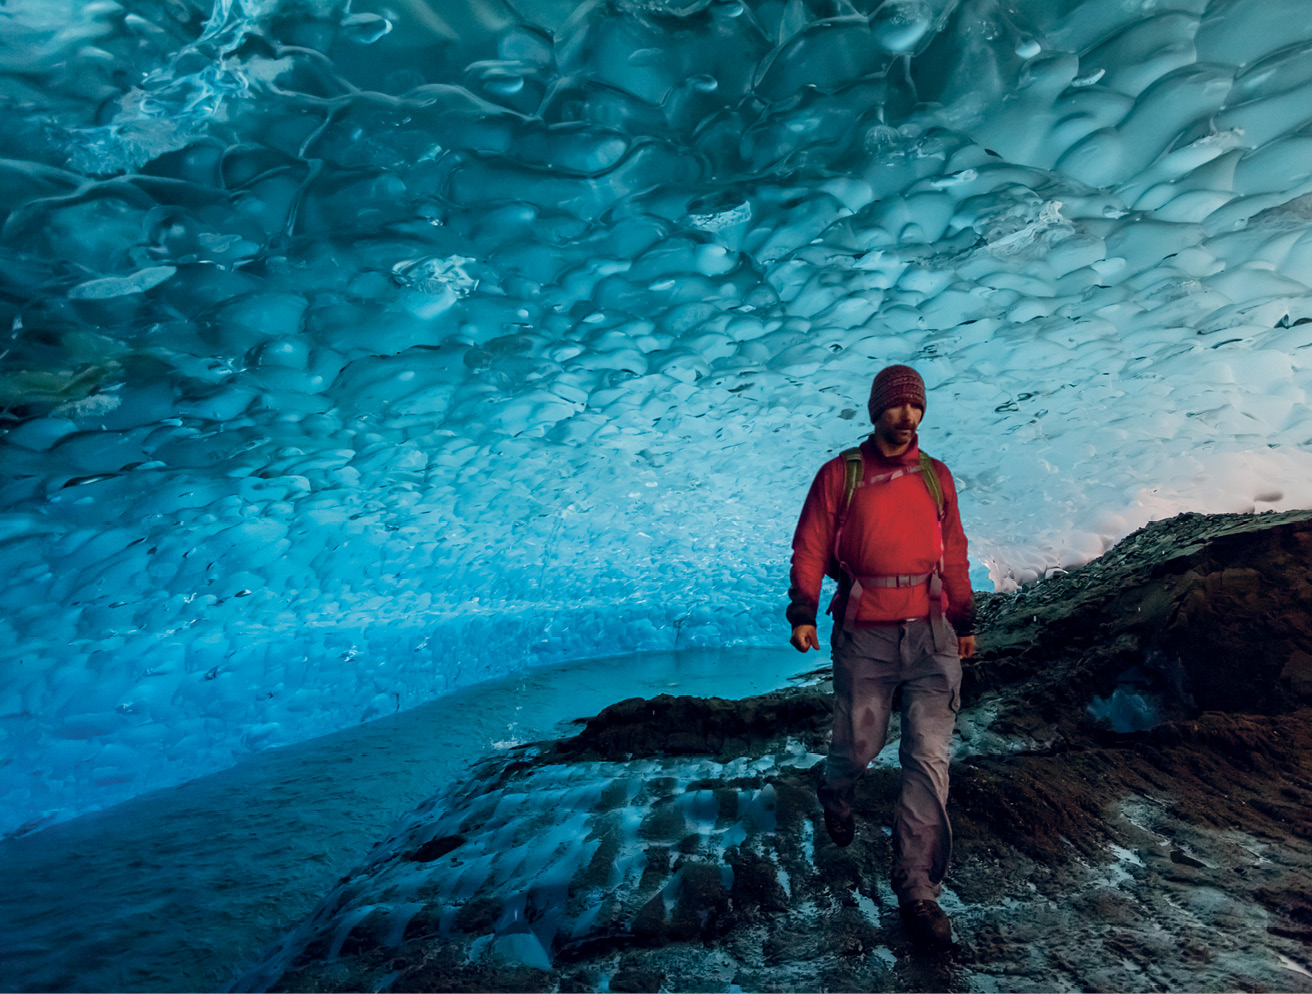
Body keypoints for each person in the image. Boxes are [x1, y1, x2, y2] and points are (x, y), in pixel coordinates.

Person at [786, 363, 976, 949]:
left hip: (932, 634)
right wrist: (802, 611)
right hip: (865, 634)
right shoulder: (839, 475)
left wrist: (965, 619)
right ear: (876, 412)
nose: (907, 417)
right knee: (859, 744)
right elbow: (811, 544)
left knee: (928, 757)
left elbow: (955, 552)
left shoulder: (936, 477)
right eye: (896, 407)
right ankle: (837, 791)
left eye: (916, 407)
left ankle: (917, 889)